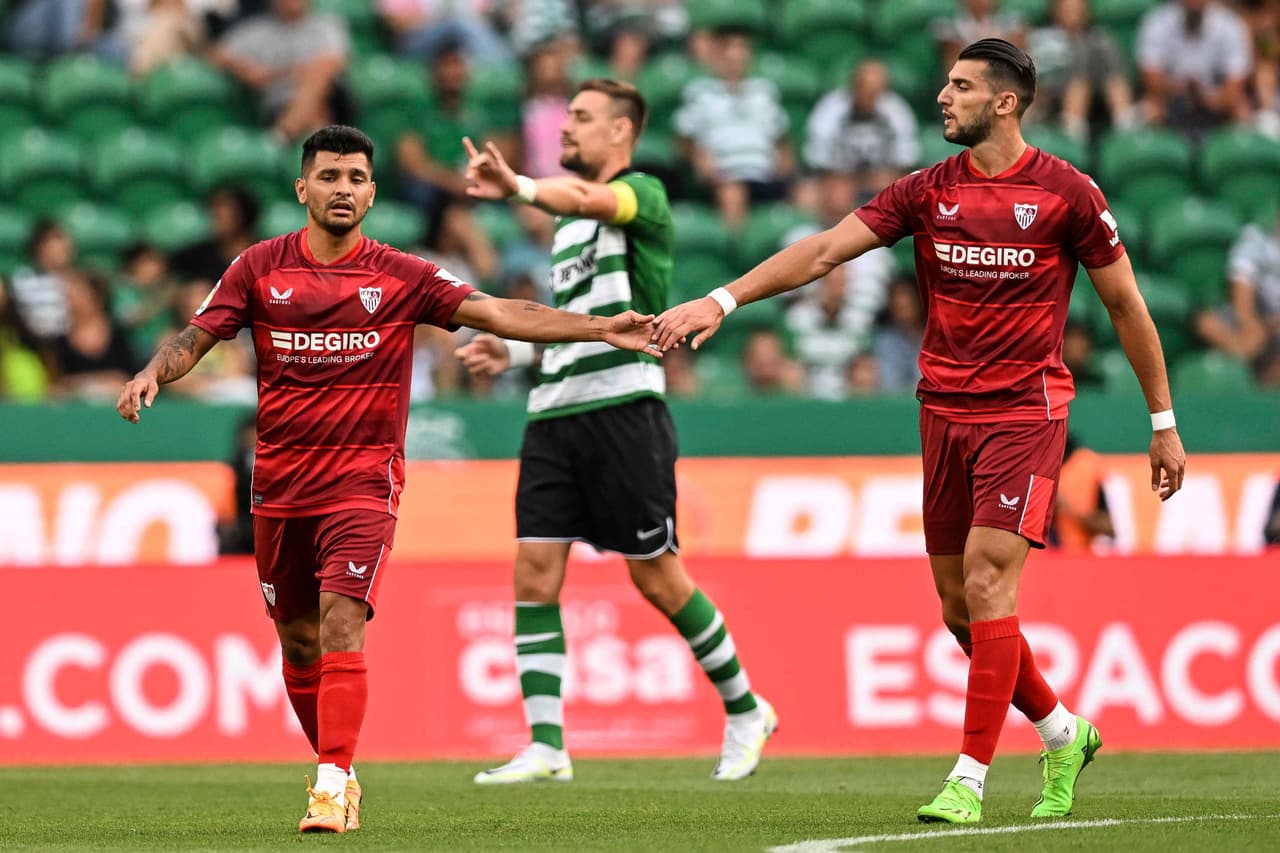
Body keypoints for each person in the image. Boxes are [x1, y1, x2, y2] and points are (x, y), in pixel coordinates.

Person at [652, 39, 1187, 824]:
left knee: (987, 580)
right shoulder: (927, 190)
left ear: (1005, 102)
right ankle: (1062, 732)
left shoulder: (1067, 193)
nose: (943, 95)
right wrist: (722, 300)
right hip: (942, 411)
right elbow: (825, 250)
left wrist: (1163, 422)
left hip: (1025, 411)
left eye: (962, 86)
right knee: (960, 608)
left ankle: (968, 778)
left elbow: (1126, 305)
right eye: (946, 83)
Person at [115, 125, 659, 834]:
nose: (342, 189)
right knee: (298, 641)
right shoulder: (257, 267)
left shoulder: (402, 275)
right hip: (279, 485)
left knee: (343, 620)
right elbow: (196, 337)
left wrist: (599, 328)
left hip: (363, 480)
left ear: (372, 193)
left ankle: (330, 784)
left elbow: (499, 312)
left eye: (355, 178)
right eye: (329, 176)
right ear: (302, 188)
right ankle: (339, 770)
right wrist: (154, 372)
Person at [455, 78, 777, 785]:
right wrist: (514, 353)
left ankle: (747, 709)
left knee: (657, 577)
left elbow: (587, 198)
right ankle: (547, 745)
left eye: (581, 117)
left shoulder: (641, 195)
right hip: (553, 413)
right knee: (534, 572)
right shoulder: (568, 230)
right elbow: (580, 318)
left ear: (621, 131)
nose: (566, 127)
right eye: (567, 115)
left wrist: (519, 187)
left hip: (624, 411)